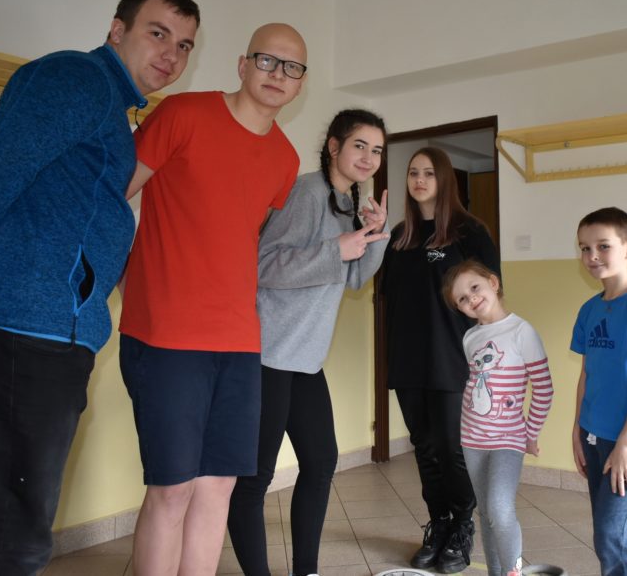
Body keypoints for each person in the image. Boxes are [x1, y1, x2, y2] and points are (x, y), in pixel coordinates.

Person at [0, 0, 200, 573]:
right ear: (118, 30)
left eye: (185, 45)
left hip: (42, 335)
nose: (171, 54)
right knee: (10, 540)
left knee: (9, 532)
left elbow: (43, 209)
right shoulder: (75, 78)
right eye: (158, 33)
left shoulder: (112, 110)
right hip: (19, 336)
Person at [118, 23, 304, 575]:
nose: (278, 74)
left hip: (239, 342)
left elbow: (239, 236)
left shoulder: (285, 160)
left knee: (218, 486)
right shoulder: (183, 114)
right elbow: (111, 196)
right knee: (171, 489)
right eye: (267, 61)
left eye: (292, 68)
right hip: (165, 336)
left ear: (300, 84)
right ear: (243, 65)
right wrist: (121, 280)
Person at [227, 109, 390, 576]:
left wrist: (375, 236)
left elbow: (352, 278)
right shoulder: (308, 192)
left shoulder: (347, 202)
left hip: (305, 359)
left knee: (320, 463)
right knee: (255, 478)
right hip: (268, 355)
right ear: (334, 147)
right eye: (359, 145)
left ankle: (307, 571)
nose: (369, 158)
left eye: (377, 150)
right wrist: (336, 248)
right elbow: (265, 264)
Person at [380, 147, 500, 573]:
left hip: (455, 358)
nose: (419, 180)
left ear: (444, 178)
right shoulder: (400, 236)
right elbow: (387, 296)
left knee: (452, 448)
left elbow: (489, 299)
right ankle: (440, 522)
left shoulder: (469, 232)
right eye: (413, 172)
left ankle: (463, 524)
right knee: (425, 447)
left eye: (429, 173)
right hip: (408, 359)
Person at [442, 259, 553, 576]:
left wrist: (530, 434)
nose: (471, 299)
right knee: (487, 514)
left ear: (493, 283)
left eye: (474, 288)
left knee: (500, 510)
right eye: (462, 299)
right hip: (473, 440)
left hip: (508, 439)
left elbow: (544, 389)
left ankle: (513, 571)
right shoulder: (470, 338)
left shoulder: (522, 331)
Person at [571, 207, 627, 576]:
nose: (592, 255)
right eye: (584, 248)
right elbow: (586, 373)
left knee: (613, 536)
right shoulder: (589, 310)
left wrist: (625, 443)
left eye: (603, 246)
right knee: (612, 533)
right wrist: (577, 430)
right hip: (593, 435)